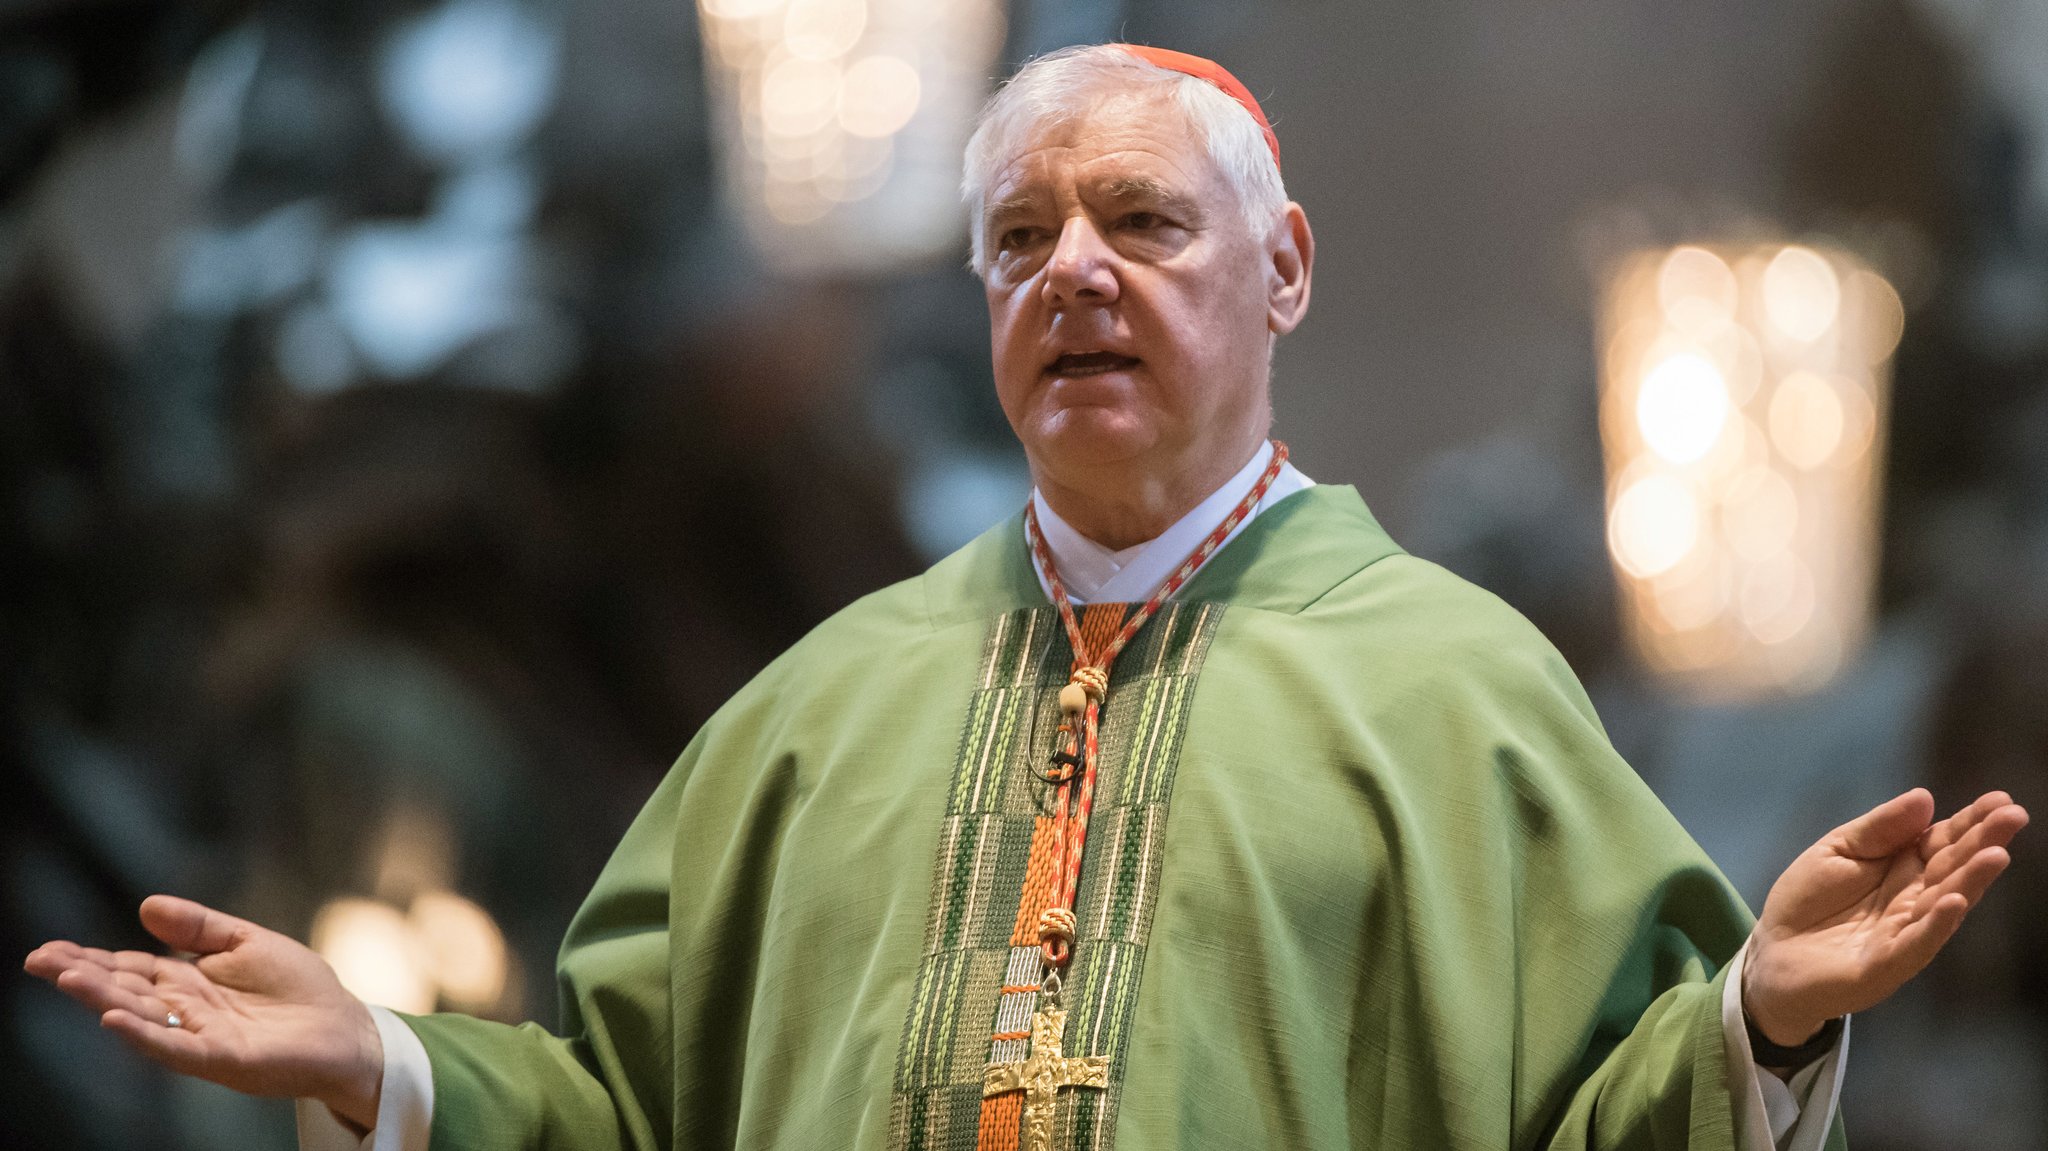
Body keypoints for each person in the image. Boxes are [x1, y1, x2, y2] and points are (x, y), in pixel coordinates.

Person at [24, 43, 2029, 1151]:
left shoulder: (1454, 692)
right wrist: (374, 1059)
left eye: (1142, 221)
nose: (1072, 270)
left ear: (1284, 272)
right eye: (1018, 237)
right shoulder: (820, 714)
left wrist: (1761, 1019)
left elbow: (1611, 1118)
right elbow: (615, 1116)